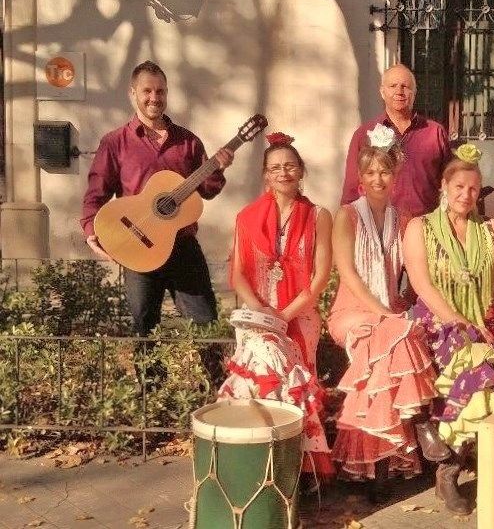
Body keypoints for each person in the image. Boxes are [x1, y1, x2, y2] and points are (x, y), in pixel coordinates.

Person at [403, 144, 494, 515]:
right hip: (436, 322)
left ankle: (455, 469)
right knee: (475, 365)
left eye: (473, 189)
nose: (465, 195)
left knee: (489, 368)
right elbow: (421, 283)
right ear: (444, 186)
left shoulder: (490, 229)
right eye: (458, 187)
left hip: (484, 324)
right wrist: (460, 321)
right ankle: (450, 471)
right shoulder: (420, 227)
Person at [328, 139, 448, 502]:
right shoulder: (347, 216)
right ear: (360, 178)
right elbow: (348, 274)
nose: (378, 179)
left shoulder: (404, 219)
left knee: (390, 344)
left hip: (390, 314)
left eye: (384, 171)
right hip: (351, 311)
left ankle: (377, 468)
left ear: (395, 177)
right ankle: (422, 423)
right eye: (370, 172)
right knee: (396, 332)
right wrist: (385, 313)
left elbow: (417, 270)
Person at [80, 60, 234, 336]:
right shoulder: (115, 142)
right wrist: (92, 229)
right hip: (138, 243)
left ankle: (209, 367)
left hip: (182, 245)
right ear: (133, 93)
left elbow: (207, 191)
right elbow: (96, 191)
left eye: (160, 91)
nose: (154, 98)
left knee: (205, 324)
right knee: (144, 326)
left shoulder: (188, 142)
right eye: (147, 91)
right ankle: (147, 368)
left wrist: (218, 169)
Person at [217, 132, 334, 479]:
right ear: (266, 175)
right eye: (275, 167)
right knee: (258, 378)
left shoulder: (318, 216)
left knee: (295, 384)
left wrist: (284, 315)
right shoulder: (246, 217)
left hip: (300, 313)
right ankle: (252, 463)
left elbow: (320, 276)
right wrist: (263, 312)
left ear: (301, 170)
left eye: (290, 166)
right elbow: (237, 274)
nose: (284, 172)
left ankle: (296, 467)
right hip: (259, 315)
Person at [341, 64, 450, 217]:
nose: (399, 91)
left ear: (414, 93)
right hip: (379, 225)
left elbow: (450, 182)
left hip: (426, 224)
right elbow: (352, 189)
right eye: (393, 86)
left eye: (405, 86)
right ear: (382, 92)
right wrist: (348, 221)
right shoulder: (364, 134)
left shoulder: (435, 133)